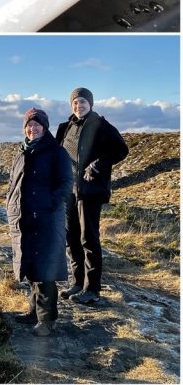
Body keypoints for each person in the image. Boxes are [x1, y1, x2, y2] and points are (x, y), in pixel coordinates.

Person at [55, 87, 129, 306]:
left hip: (89, 191)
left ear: (91, 104)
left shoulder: (100, 124)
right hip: (68, 191)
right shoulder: (65, 127)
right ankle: (78, 283)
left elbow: (121, 150)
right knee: (71, 238)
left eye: (83, 102)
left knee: (89, 239)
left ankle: (92, 289)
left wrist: (98, 164)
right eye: (75, 103)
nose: (79, 106)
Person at [6, 107, 73, 337]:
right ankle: (34, 312)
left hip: (46, 218)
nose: (32, 129)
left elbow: (66, 183)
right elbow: (13, 184)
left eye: (37, 125)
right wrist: (11, 205)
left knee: (45, 270)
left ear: (45, 127)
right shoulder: (22, 152)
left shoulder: (56, 152)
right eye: (29, 126)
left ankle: (47, 320)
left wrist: (49, 204)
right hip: (24, 218)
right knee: (32, 267)